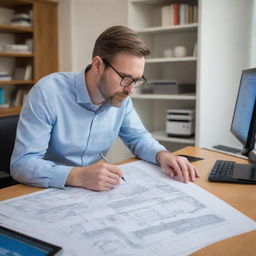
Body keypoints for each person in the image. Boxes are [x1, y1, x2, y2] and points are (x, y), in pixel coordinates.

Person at [11, 26, 199, 191]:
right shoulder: (48, 92)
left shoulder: (121, 96)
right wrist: (78, 176)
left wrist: (162, 155)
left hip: (93, 192)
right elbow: (22, 164)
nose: (131, 90)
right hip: (46, 190)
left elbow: (138, 138)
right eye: (125, 78)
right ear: (98, 65)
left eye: (136, 80)